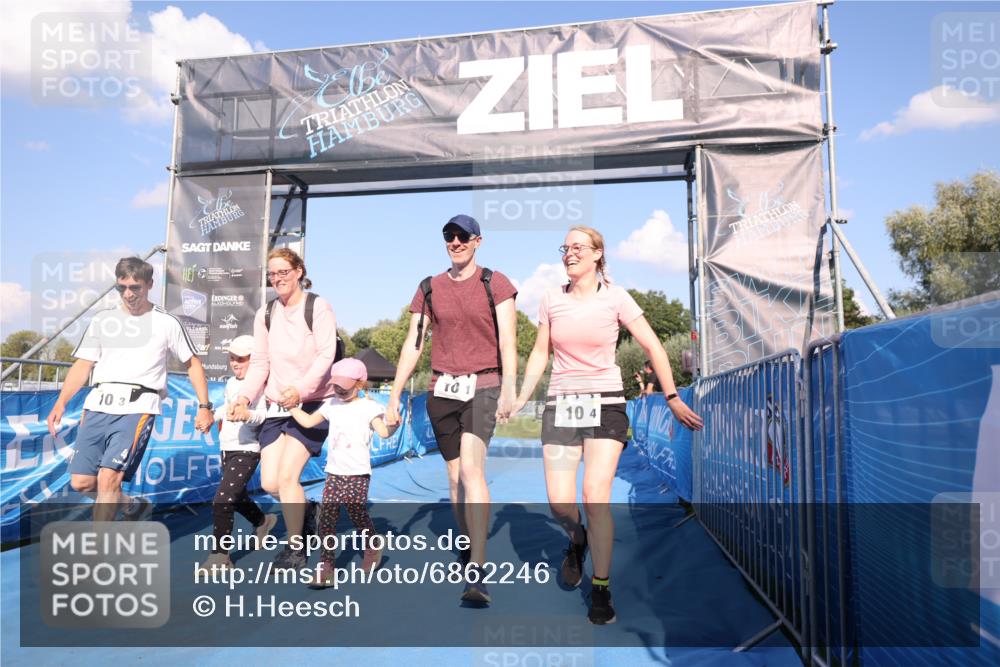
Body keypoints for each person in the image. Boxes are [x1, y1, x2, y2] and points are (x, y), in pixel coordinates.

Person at [511, 226, 703, 625]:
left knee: (594, 493)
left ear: (599, 254)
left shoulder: (617, 298)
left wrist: (671, 398)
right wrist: (521, 396)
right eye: (565, 247)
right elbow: (539, 354)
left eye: (578, 247)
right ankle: (576, 539)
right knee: (560, 502)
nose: (570, 253)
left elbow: (651, 345)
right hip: (562, 404)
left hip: (606, 402)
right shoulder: (551, 299)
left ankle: (601, 587)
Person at [386, 214, 517, 606]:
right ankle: (467, 543)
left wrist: (509, 387)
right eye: (449, 236)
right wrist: (394, 394)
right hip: (442, 387)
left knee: (474, 469)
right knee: (455, 475)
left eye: (463, 236)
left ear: (478, 241)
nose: (455, 242)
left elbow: (509, 342)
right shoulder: (429, 288)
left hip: (484, 384)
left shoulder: (496, 283)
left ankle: (478, 569)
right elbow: (414, 343)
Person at [46, 256, 214, 521]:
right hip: (97, 405)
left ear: (149, 285)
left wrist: (204, 407)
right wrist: (61, 403)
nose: (128, 293)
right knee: (82, 483)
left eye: (135, 287)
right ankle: (133, 505)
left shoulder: (167, 322)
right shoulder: (103, 320)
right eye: (121, 287)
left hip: (138, 406)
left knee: (108, 477)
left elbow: (193, 364)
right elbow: (83, 365)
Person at [229, 248, 338, 569]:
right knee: (270, 484)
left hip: (313, 401)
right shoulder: (265, 313)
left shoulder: (318, 307)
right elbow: (260, 363)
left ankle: (296, 549)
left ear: (299, 271)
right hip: (277, 405)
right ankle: (307, 512)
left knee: (289, 477)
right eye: (273, 274)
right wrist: (245, 397)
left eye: (284, 272)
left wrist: (300, 389)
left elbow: (325, 355)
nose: (278, 279)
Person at [288, 358, 398, 587]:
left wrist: (394, 425)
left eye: (344, 386)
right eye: (335, 385)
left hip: (358, 473)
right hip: (334, 472)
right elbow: (308, 422)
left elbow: (384, 433)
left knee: (357, 512)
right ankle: (326, 568)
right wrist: (291, 408)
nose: (338, 390)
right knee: (327, 521)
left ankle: (372, 544)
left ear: (360, 384)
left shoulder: (369, 407)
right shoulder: (331, 405)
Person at [199, 335, 279, 573]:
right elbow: (227, 406)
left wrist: (248, 415)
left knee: (222, 500)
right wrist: (212, 417)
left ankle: (220, 557)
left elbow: (264, 416)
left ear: (254, 361)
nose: (235, 363)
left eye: (241, 359)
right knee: (237, 497)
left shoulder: (264, 385)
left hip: (248, 449)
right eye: (232, 358)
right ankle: (263, 521)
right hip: (227, 448)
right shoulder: (232, 383)